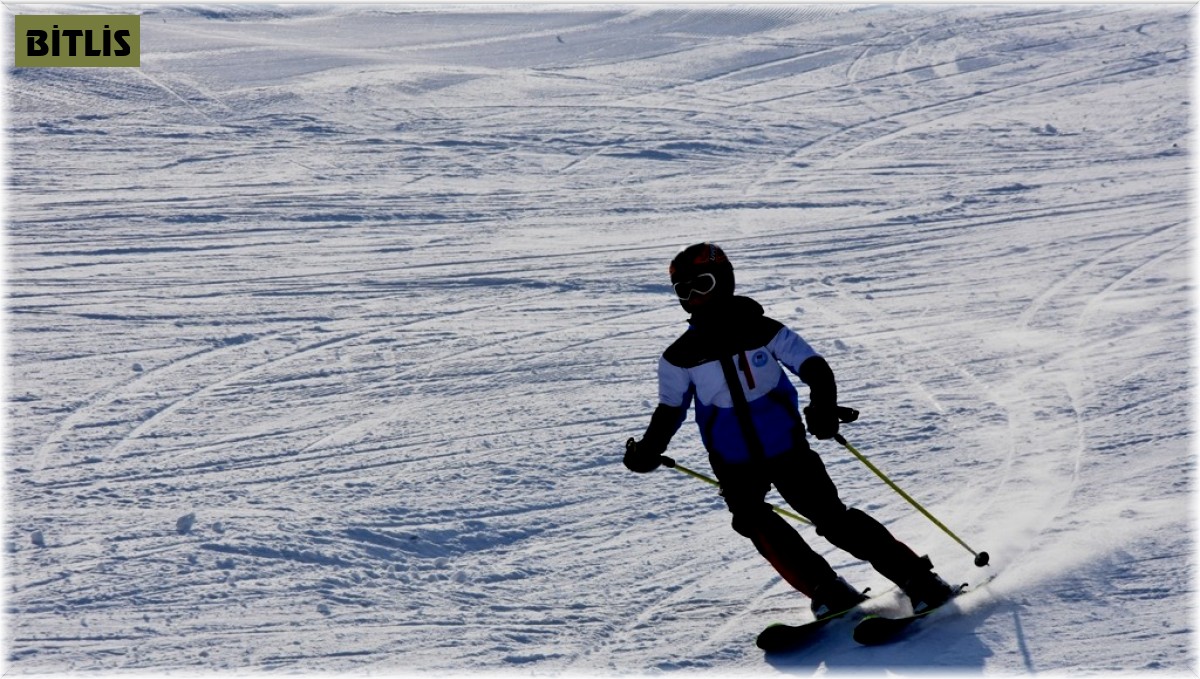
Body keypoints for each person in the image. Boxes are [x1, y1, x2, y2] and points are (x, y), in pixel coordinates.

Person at [623, 242, 954, 619]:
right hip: (732, 461)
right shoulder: (679, 357)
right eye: (684, 290)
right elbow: (669, 410)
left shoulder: (763, 330)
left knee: (832, 519)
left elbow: (814, 367)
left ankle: (919, 579)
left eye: (703, 284)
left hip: (787, 449)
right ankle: (827, 590)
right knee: (753, 522)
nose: (695, 297)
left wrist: (823, 406)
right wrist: (648, 449)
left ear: (725, 282)